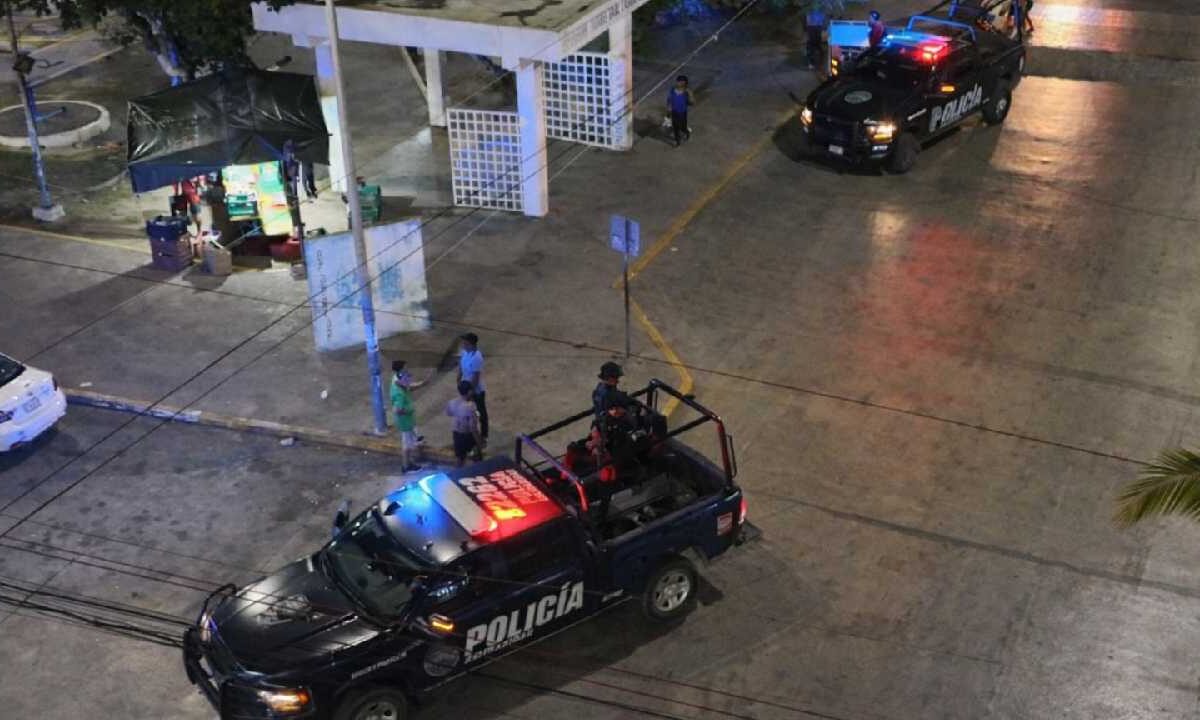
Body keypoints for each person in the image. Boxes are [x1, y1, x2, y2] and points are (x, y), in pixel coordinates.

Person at [389, 360, 421, 472]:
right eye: (405, 368)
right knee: (407, 445)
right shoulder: (399, 394)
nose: (407, 370)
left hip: (407, 420)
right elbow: (398, 410)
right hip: (405, 421)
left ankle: (408, 463)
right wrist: (409, 410)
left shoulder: (397, 379)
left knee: (409, 442)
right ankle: (406, 466)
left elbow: (407, 386)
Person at [458, 332, 488, 446]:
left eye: (465, 342)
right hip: (465, 387)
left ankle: (484, 435)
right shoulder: (464, 352)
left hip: (476, 391)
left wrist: (470, 392)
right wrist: (458, 381)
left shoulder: (477, 358)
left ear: (470, 343)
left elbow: (475, 378)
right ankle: (472, 435)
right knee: (469, 413)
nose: (463, 344)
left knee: (481, 413)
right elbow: (461, 367)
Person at [446, 381, 484, 467]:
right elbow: (473, 428)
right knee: (477, 457)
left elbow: (448, 413)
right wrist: (479, 442)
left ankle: (456, 476)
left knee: (460, 458)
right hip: (467, 436)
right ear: (469, 391)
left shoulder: (452, 402)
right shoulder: (471, 406)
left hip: (456, 434)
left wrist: (459, 416)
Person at [665, 75, 694, 147]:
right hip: (674, 112)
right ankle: (677, 141)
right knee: (675, 128)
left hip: (682, 113)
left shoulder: (687, 92)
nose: (679, 83)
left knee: (682, 127)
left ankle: (686, 132)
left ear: (685, 83)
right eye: (678, 82)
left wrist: (690, 95)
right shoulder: (673, 89)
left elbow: (692, 103)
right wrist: (668, 108)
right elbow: (669, 99)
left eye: (681, 82)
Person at [805, 3, 828, 70]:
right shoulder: (814, 12)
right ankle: (813, 63)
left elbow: (808, 21)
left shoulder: (817, 12)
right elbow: (808, 21)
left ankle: (814, 63)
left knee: (814, 47)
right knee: (814, 47)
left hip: (814, 29)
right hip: (814, 29)